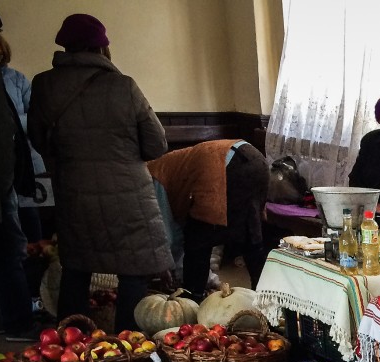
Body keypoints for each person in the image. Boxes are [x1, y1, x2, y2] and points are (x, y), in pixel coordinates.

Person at [27, 13, 170, 332]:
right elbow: (156, 144)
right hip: (128, 197)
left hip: (74, 195)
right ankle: (127, 346)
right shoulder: (124, 86)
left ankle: (70, 344)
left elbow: (38, 139)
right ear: (103, 48)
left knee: (76, 270)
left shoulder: (43, 85)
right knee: (133, 271)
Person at [148, 139, 270, 297]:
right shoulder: (165, 165)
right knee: (251, 236)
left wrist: (163, 267)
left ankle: (193, 298)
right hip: (256, 159)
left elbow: (170, 237)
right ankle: (265, 298)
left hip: (224, 164)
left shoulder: (152, 176)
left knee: (197, 242)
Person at [0, 38, 33, 339]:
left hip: (11, 175)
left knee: (14, 247)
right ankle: (17, 323)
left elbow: (28, 122)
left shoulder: (16, 79)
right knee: (9, 250)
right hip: (1, 181)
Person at [0, 29, 44, 245]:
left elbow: (36, 116)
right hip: (1, 163)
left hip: (23, 160)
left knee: (30, 219)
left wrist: (11, 124)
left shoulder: (16, 79)